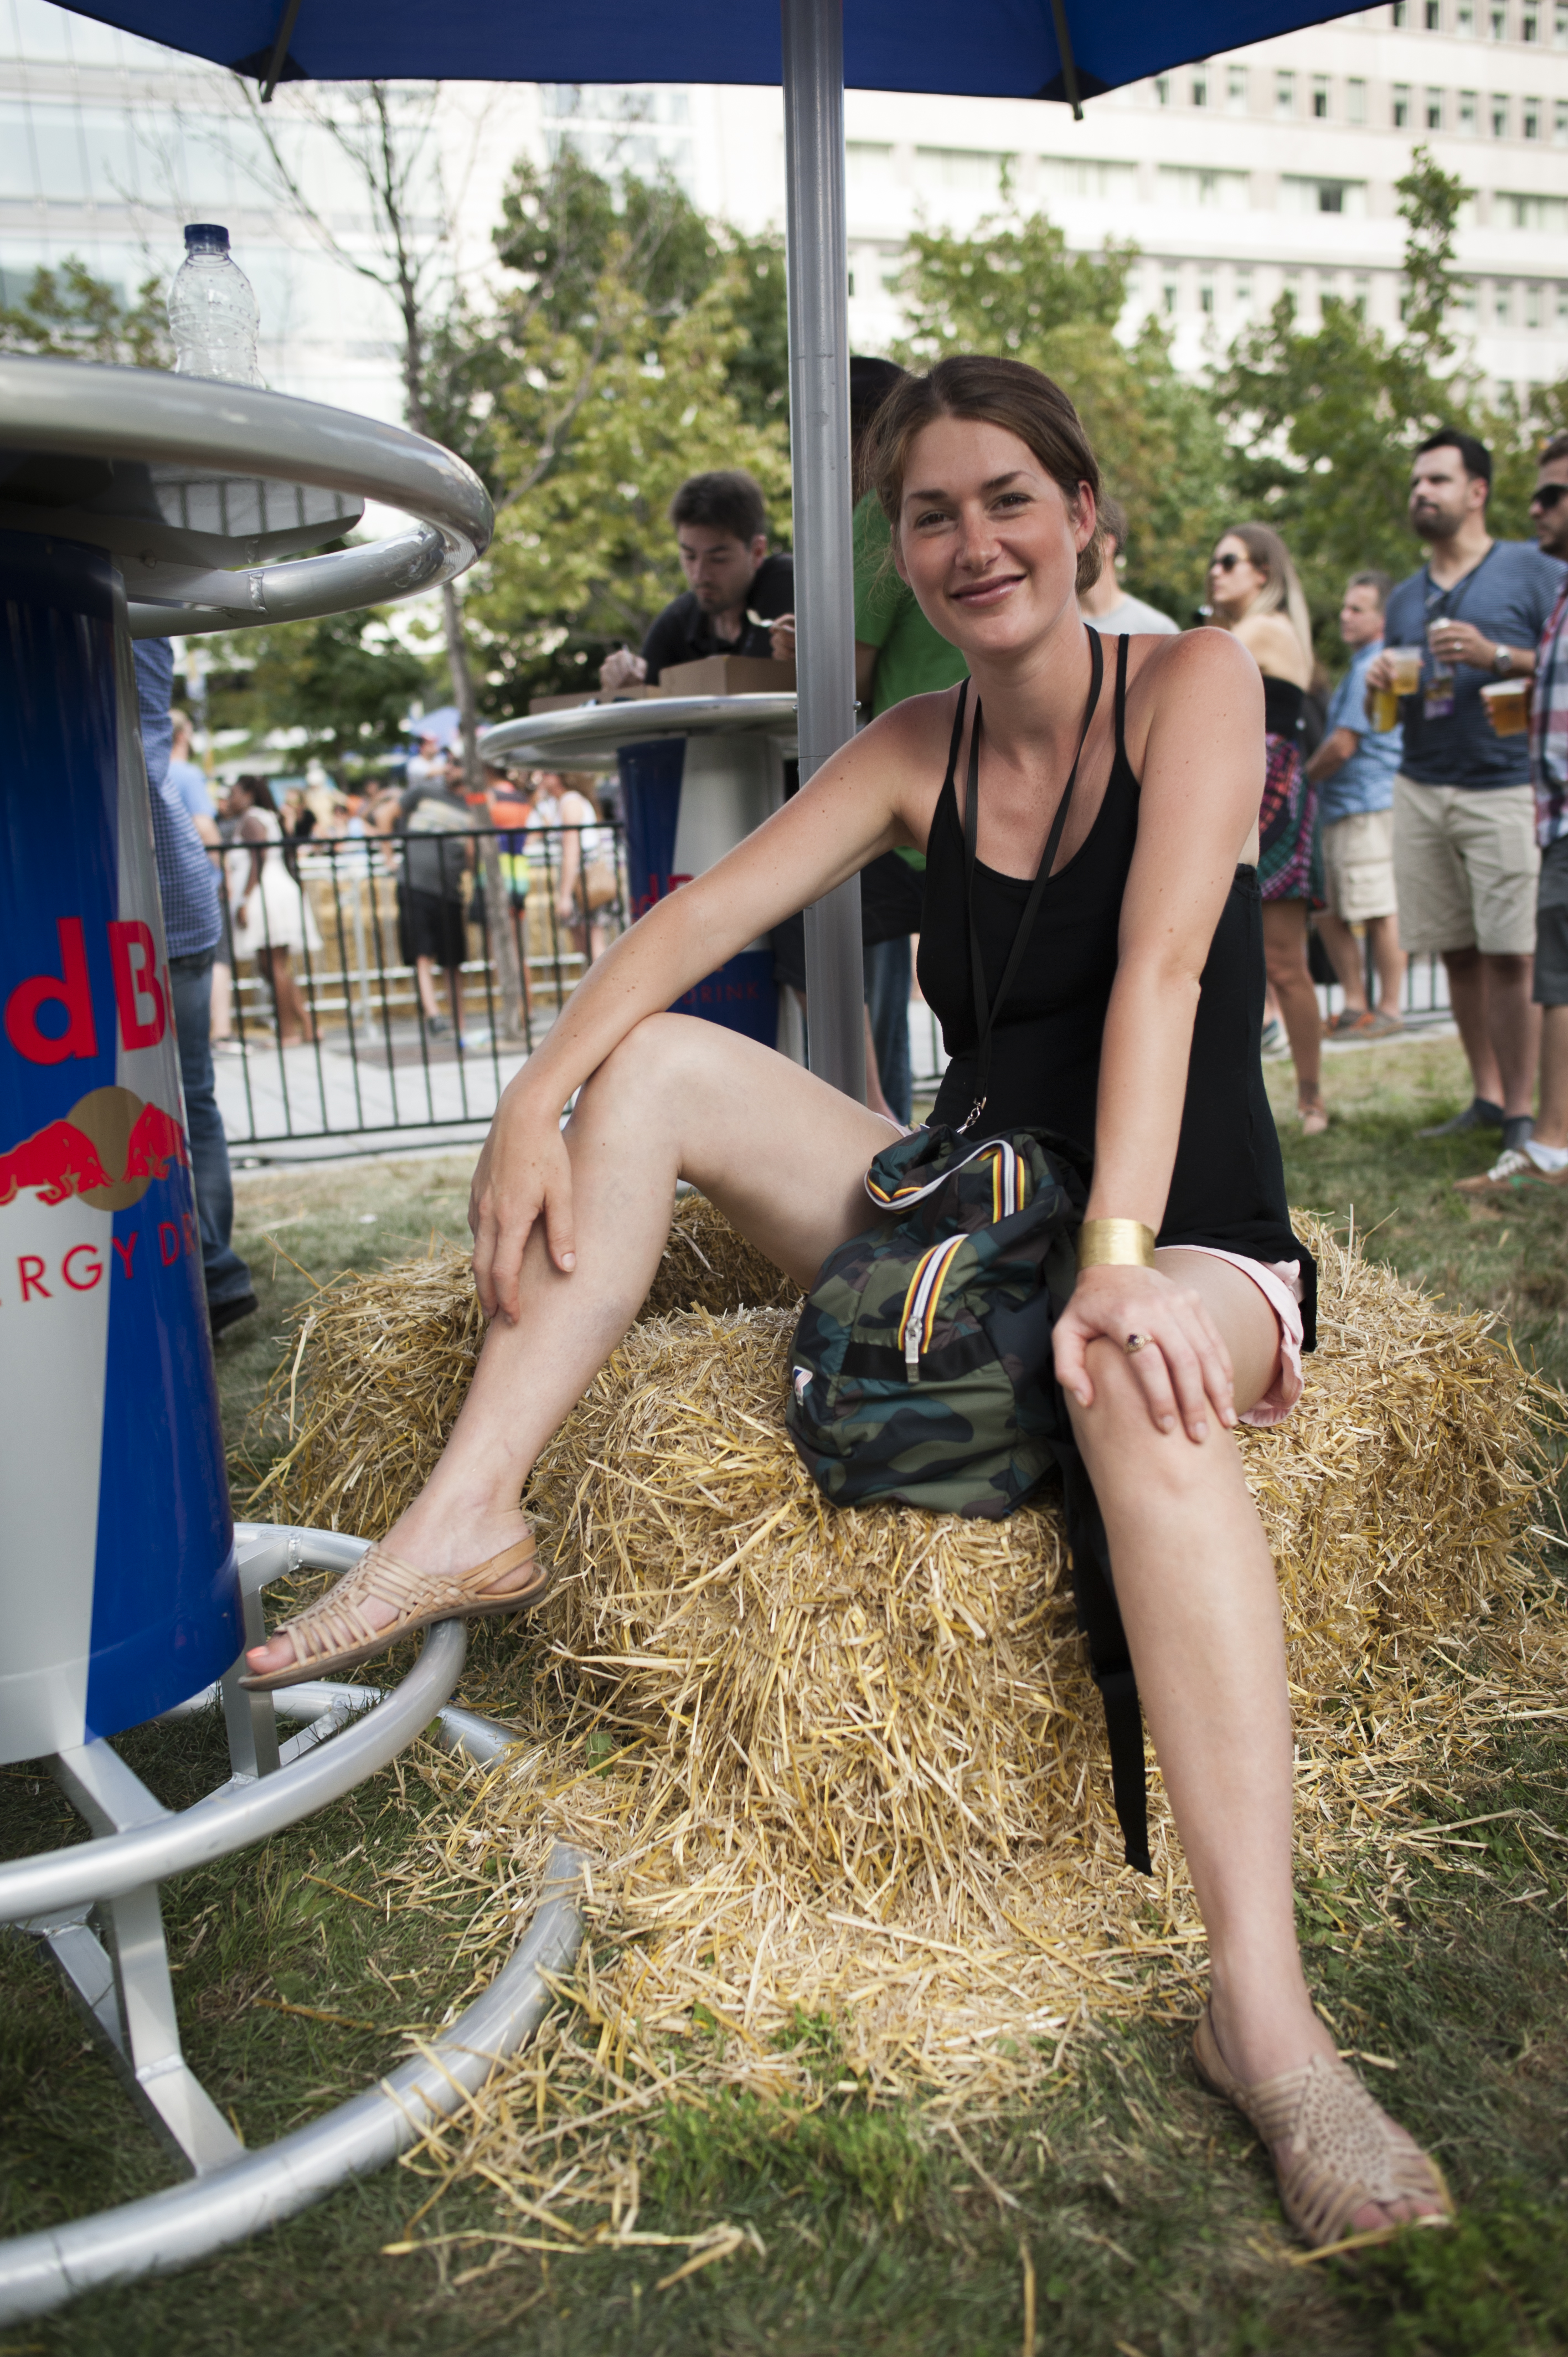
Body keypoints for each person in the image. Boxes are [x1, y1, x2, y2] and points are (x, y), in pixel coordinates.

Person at [241, 354, 1450, 2252]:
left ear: (1084, 520)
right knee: (655, 1071)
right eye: (932, 514)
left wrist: (1125, 1267)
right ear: (900, 549)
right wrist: (529, 1099)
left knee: (1142, 1390)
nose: (974, 541)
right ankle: (469, 1511)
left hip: (1183, 1223)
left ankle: (1267, 2019)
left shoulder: (1195, 685)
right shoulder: (912, 741)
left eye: (1007, 500)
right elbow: (690, 921)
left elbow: (1154, 979)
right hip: (970, 1202)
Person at [1366, 428, 1566, 1156]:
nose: (1423, 492)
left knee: (1513, 954)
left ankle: (1524, 1111)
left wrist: (1497, 656)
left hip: (1506, 785)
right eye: (1417, 482)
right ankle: (1486, 1095)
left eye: (1439, 481)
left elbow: (1560, 657)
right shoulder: (1405, 597)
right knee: (1455, 951)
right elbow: (1394, 700)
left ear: (1478, 492)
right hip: (1421, 783)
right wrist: (1381, 681)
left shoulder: (1531, 569)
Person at [132, 642, 256, 1339]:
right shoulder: (144, 627)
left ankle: (206, 1268)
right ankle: (213, 1271)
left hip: (142, 898)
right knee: (193, 1096)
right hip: (180, 897)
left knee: (152, 1100)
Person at [1457, 434, 1568, 1195]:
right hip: (1552, 811)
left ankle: (1550, 1148)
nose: (1538, 507)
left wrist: (1495, 658)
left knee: (1549, 975)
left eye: (1554, 494)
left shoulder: (1541, 582)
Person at [1206, 523, 1327, 1135]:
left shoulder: (1266, 628)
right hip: (1234, 797)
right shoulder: (1235, 633)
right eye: (1213, 562)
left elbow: (1197, 663)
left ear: (1264, 572)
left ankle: (1312, 1100)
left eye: (1229, 561)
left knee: (1284, 960)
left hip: (1271, 801)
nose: (1215, 570)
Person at [1308, 573, 1406, 1036]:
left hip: (1368, 803)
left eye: (1357, 609)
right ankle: (1355, 1007)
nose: (1345, 616)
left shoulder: (1374, 666)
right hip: (1342, 806)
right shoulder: (1358, 666)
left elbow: (1343, 745)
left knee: (1377, 907)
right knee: (1330, 909)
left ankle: (1388, 1010)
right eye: (1345, 607)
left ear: (1382, 618)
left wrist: (1297, 778)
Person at [599, 472, 793, 690]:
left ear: (757, 552)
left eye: (718, 560)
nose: (699, 575)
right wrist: (626, 684)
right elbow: (644, 699)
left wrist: (804, 651)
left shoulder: (788, 585)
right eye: (689, 556)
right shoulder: (678, 622)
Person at [225, 776, 322, 1047]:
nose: (230, 799)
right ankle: (306, 1024)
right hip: (273, 891)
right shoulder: (264, 817)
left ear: (248, 794)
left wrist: (245, 898)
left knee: (274, 965)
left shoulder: (252, 820)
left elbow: (260, 856)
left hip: (265, 894)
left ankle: (289, 1032)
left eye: (234, 794)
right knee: (273, 966)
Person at [398, 759, 473, 1040]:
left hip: (449, 889)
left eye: (458, 763)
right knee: (422, 953)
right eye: (451, 763)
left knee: (452, 960)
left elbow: (472, 853)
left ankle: (459, 1024)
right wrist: (387, 856)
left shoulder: (473, 803)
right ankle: (434, 1015)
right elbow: (385, 815)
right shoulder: (425, 791)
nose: (452, 768)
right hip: (415, 884)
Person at [1078, 497, 1179, 638]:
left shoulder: (1158, 630)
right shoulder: (1051, 629)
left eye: (1081, 534)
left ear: (1107, 544)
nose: (1071, 545)